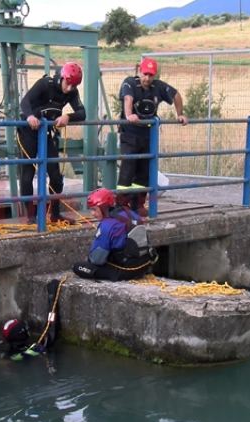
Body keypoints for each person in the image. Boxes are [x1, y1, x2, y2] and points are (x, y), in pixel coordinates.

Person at [117, 57, 188, 216]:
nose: (147, 78)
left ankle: (138, 203)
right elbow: (128, 98)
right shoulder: (129, 83)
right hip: (130, 133)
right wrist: (129, 115)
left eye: (151, 75)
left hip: (148, 134)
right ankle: (120, 205)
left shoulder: (158, 86)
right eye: (145, 74)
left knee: (144, 170)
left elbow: (176, 94)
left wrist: (180, 114)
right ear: (139, 71)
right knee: (128, 167)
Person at [18, 62, 86, 224]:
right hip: (29, 131)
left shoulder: (71, 91)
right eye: (68, 83)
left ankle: (55, 214)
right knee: (28, 173)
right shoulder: (45, 84)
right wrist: (30, 117)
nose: (69, 88)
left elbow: (82, 112)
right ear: (62, 77)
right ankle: (31, 216)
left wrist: (68, 117)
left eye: (74, 85)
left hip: (46, 132)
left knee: (55, 174)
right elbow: (25, 102)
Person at [73, 188, 156, 281]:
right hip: (145, 264)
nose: (92, 214)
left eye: (94, 209)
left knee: (78, 267)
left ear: (104, 207)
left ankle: (115, 274)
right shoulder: (128, 212)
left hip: (128, 270)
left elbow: (96, 260)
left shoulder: (106, 225)